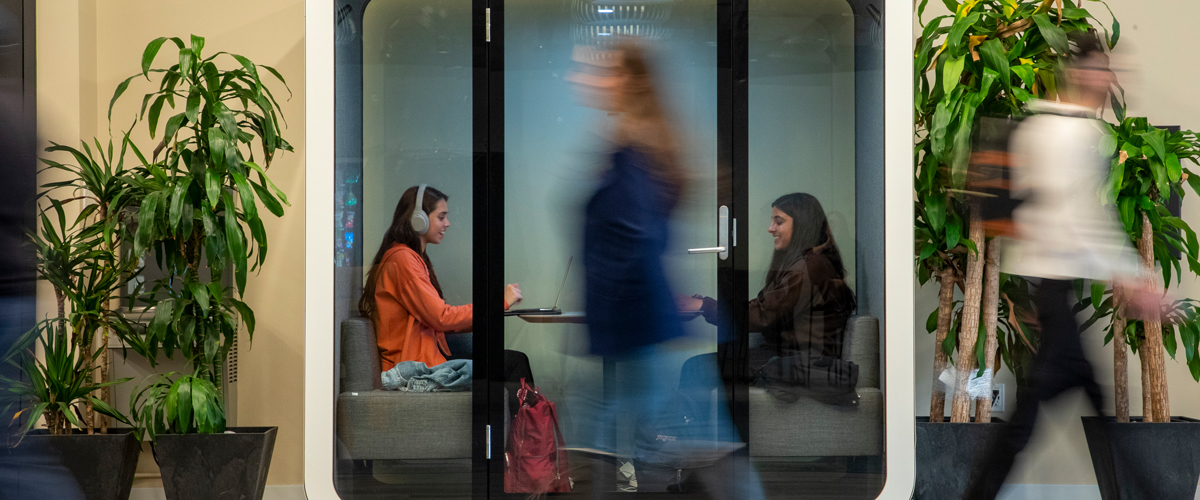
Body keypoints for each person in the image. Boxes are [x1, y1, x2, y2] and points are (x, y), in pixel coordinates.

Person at [962, 32, 1158, 499]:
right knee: (1038, 418)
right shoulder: (1073, 133)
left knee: (1052, 412)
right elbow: (1082, 221)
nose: (1109, 79)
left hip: (1049, 288)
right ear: (1081, 73)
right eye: (1102, 68)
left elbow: (1050, 216)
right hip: (1053, 288)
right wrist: (1133, 278)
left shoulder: (1040, 125)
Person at [567, 38, 763, 499]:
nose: (584, 77)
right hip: (637, 331)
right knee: (687, 451)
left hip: (638, 333)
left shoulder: (635, 153)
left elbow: (637, 239)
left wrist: (612, 314)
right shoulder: (631, 145)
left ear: (628, 82)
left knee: (686, 450)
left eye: (599, 70)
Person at [359, 185, 534, 412]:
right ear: (418, 219)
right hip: (415, 367)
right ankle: (522, 442)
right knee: (513, 364)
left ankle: (516, 440)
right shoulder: (403, 261)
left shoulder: (411, 258)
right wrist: (498, 303)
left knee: (512, 360)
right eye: (441, 217)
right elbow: (441, 317)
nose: (447, 223)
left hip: (427, 358)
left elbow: (437, 321)